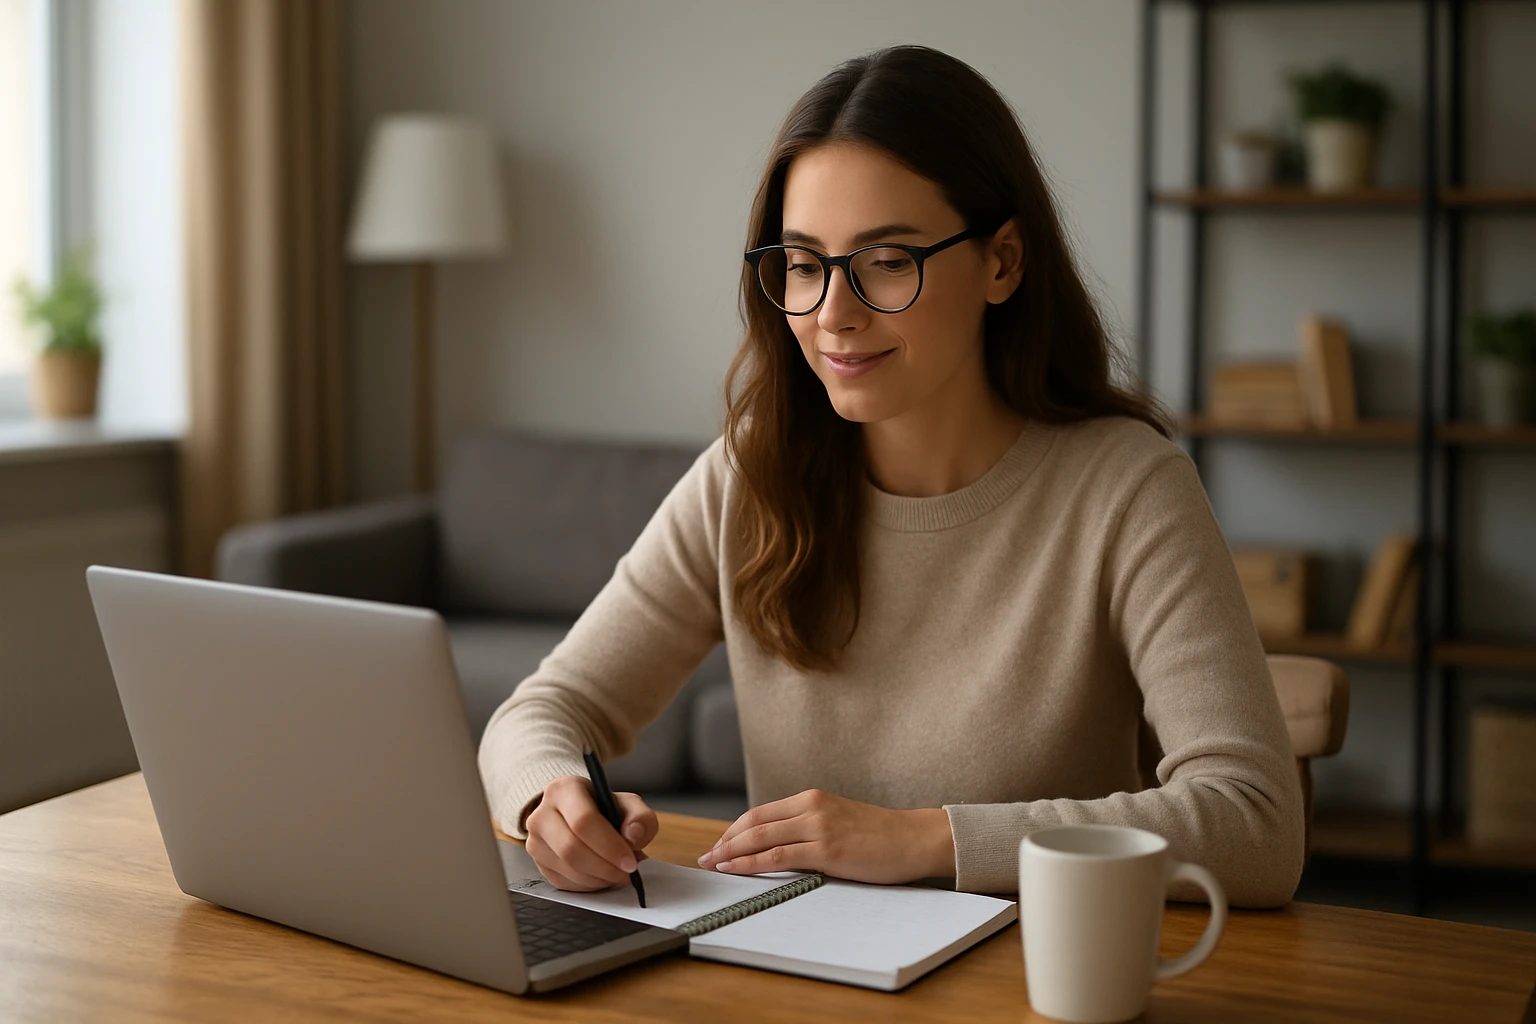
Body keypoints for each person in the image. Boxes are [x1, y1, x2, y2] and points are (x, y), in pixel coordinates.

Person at [477, 44, 1305, 906]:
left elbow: (1254, 823)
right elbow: (540, 713)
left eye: (887, 261)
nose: (834, 315)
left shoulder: (1127, 489)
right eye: (803, 265)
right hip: (800, 977)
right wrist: (549, 799)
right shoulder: (752, 471)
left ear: (1003, 262)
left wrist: (922, 837)